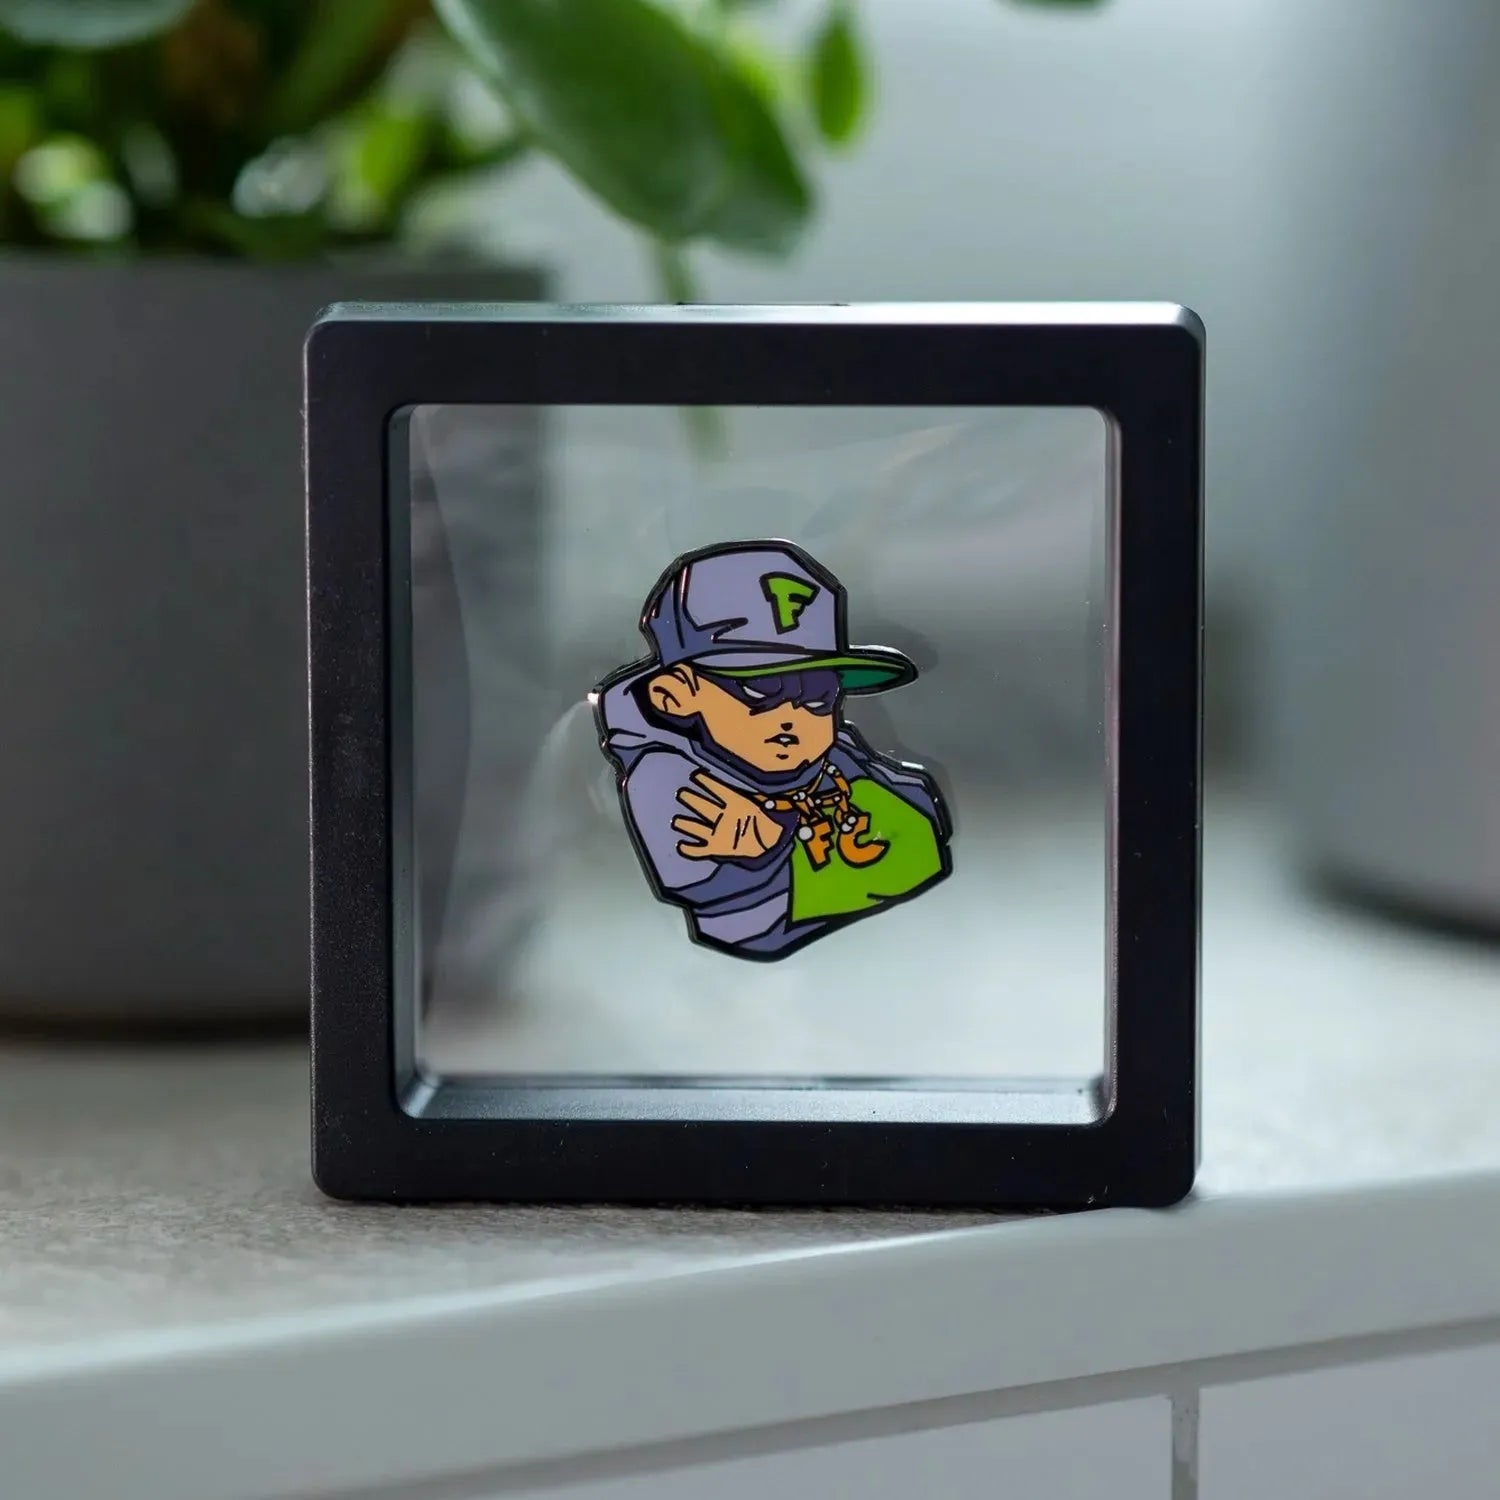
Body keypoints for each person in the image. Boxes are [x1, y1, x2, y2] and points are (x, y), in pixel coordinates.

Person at [593, 540, 951, 959]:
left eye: (819, 696)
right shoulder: (668, 776)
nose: (792, 717)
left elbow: (921, 810)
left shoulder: (832, 751)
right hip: (767, 957)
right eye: (761, 690)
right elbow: (698, 885)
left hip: (888, 944)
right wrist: (761, 853)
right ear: (676, 694)